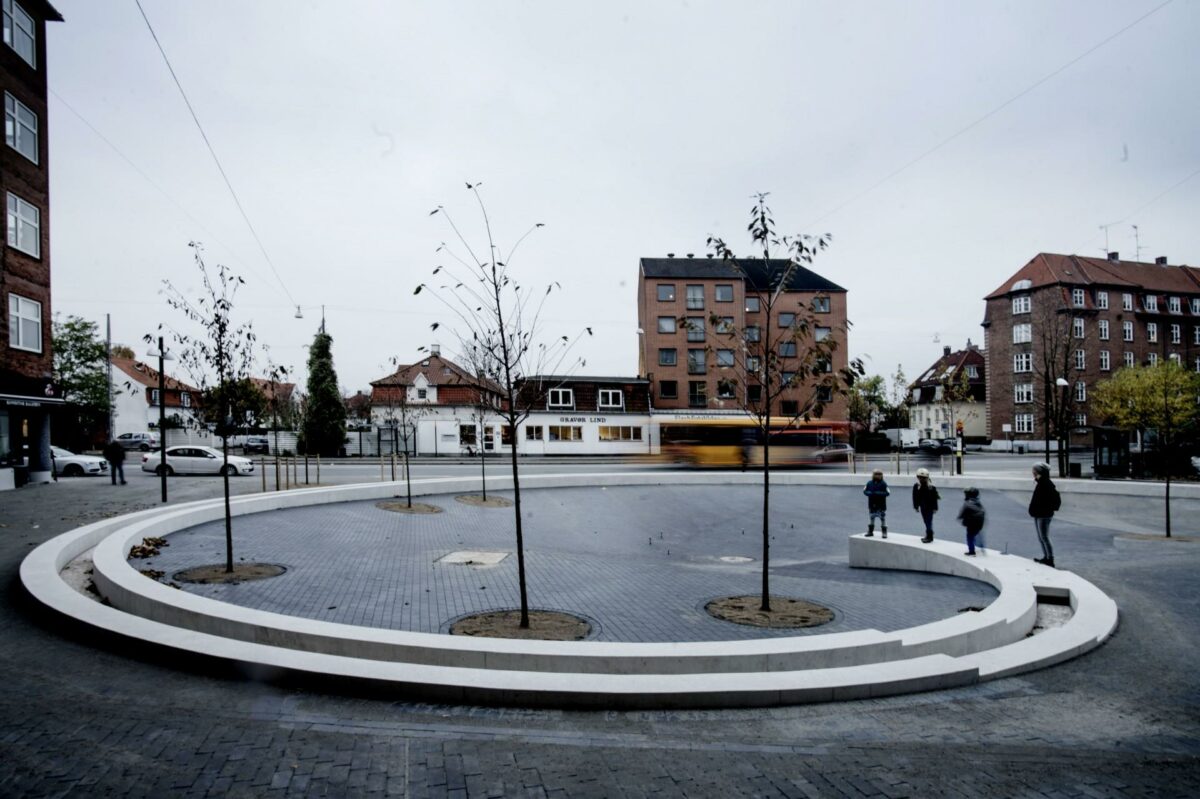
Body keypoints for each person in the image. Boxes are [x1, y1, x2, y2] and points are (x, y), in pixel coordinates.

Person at [1029, 462, 1061, 567]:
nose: (1032, 472)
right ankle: (1046, 557)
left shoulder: (1045, 483)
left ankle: (1050, 559)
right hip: (1039, 514)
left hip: (1043, 514)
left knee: (1044, 537)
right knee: (1041, 537)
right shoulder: (1041, 482)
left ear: (1039, 471)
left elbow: (1046, 500)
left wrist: (1041, 509)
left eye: (1034, 470)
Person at [912, 467, 939, 543]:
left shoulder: (931, 487)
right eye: (920, 477)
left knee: (928, 521)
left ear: (927, 477)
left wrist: (935, 508)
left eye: (924, 478)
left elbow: (935, 498)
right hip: (922, 506)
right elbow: (915, 497)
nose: (922, 479)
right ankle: (929, 533)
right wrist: (916, 506)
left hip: (930, 507)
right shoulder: (916, 486)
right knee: (925, 521)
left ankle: (929, 536)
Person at [957, 487, 986, 556]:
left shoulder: (967, 503)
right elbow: (982, 511)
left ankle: (971, 551)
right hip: (979, 523)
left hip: (971, 524)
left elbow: (962, 513)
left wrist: (959, 517)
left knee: (969, 537)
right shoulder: (977, 502)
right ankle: (980, 545)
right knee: (976, 533)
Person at [863, 468, 890, 538]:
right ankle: (870, 531)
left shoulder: (884, 484)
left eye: (879, 474)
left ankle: (884, 532)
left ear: (882, 475)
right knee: (871, 518)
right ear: (873, 475)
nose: (878, 476)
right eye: (876, 474)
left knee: (883, 519)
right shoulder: (869, 483)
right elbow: (864, 491)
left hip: (881, 505)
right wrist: (870, 493)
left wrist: (878, 493)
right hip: (872, 505)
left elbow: (888, 492)